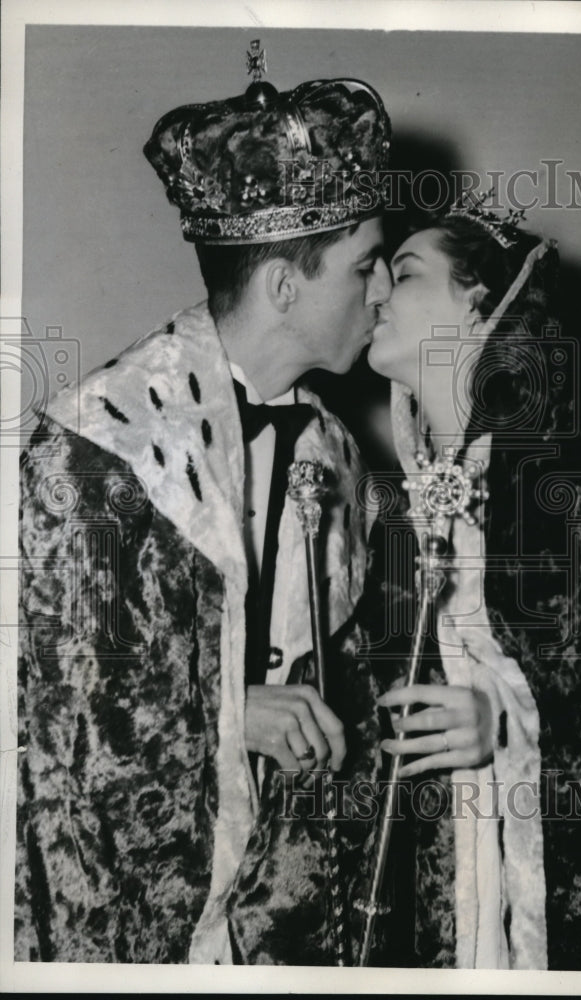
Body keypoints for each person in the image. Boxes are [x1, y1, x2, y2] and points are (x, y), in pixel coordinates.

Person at [14, 55, 395, 964]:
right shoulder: (95, 450)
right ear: (283, 286)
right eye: (367, 266)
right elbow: (49, 721)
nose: (384, 292)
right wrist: (229, 715)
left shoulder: (344, 461)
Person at [365, 203, 581, 970]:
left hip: (580, 914)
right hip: (445, 911)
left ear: (481, 303)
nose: (374, 298)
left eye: (404, 275)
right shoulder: (391, 509)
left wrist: (508, 719)